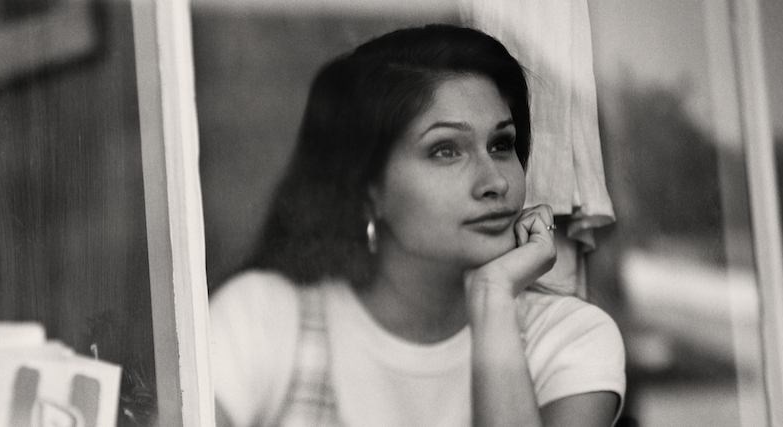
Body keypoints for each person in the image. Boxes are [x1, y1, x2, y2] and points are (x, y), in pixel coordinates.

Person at [209, 24, 625, 427]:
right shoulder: (266, 317)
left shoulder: (568, 339)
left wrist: (492, 297)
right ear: (367, 187)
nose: (495, 182)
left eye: (501, 145)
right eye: (445, 150)